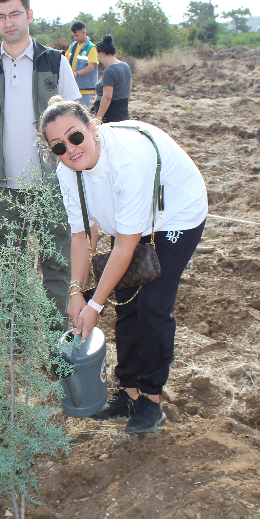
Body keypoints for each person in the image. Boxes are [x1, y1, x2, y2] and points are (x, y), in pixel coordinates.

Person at [41, 98, 208, 434]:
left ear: (92, 128)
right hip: (130, 221)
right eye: (58, 146)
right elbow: (83, 234)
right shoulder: (66, 171)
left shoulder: (126, 160)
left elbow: (126, 246)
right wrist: (76, 292)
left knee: (152, 305)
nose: (70, 150)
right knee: (127, 302)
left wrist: (95, 304)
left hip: (176, 213)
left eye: (75, 137)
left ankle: (150, 399)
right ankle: (129, 389)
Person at [0, 0, 82, 327]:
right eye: (0, 16)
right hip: (3, 186)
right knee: (12, 265)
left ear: (29, 15)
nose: (9, 21)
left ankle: (58, 340)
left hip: (52, 186)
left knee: (57, 262)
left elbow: (77, 125)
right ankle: (15, 341)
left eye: (15, 13)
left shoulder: (55, 62)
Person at [95, 35, 132, 123]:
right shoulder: (126, 66)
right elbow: (129, 89)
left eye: (98, 56)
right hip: (122, 113)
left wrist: (98, 119)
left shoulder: (110, 71)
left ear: (102, 54)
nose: (99, 59)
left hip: (109, 115)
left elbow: (107, 97)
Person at [66, 21, 98, 107]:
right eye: (74, 36)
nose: (75, 38)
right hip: (73, 88)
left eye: (77, 35)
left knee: (83, 116)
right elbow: (65, 60)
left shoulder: (91, 48)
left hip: (84, 89)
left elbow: (91, 67)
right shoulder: (73, 46)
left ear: (84, 33)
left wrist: (76, 74)